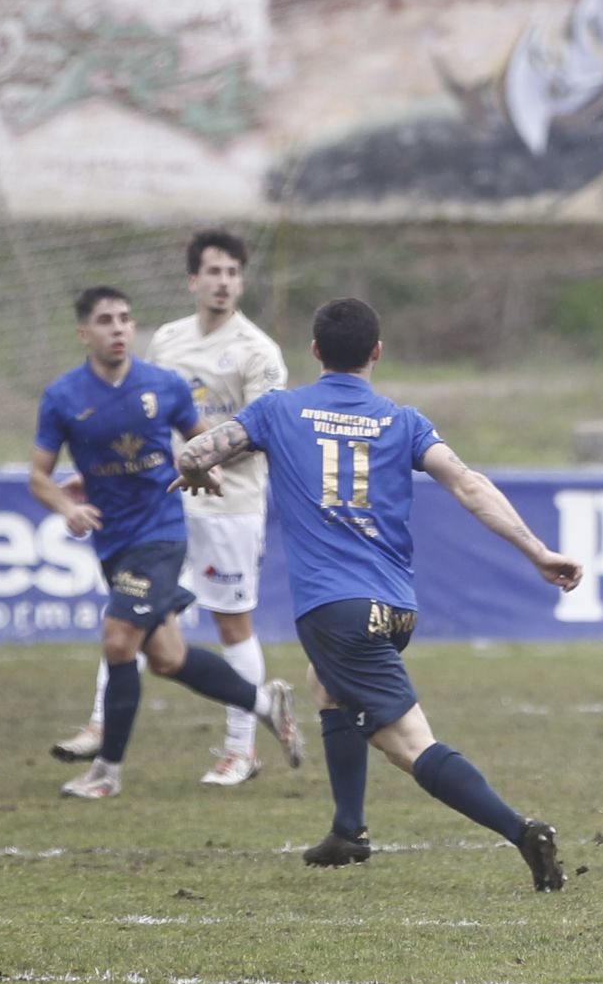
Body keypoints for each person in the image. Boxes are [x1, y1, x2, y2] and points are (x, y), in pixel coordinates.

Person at [175, 297, 581, 891]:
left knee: (411, 746)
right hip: (394, 607)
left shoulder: (278, 409)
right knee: (325, 685)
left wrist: (197, 472)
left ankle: (522, 832)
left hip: (335, 610)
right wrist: (538, 550)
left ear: (314, 352)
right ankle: (348, 831)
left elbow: (195, 450)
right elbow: (468, 485)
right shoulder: (403, 420)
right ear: (377, 353)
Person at [32, 285, 301, 800]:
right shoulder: (63, 397)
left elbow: (204, 445)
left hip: (161, 534)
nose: (118, 328)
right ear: (84, 333)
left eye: (126, 319)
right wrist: (68, 505)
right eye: (106, 320)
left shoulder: (164, 386)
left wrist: (209, 471)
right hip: (113, 541)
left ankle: (106, 772)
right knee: (168, 658)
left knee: (117, 641)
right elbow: (39, 476)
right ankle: (264, 703)